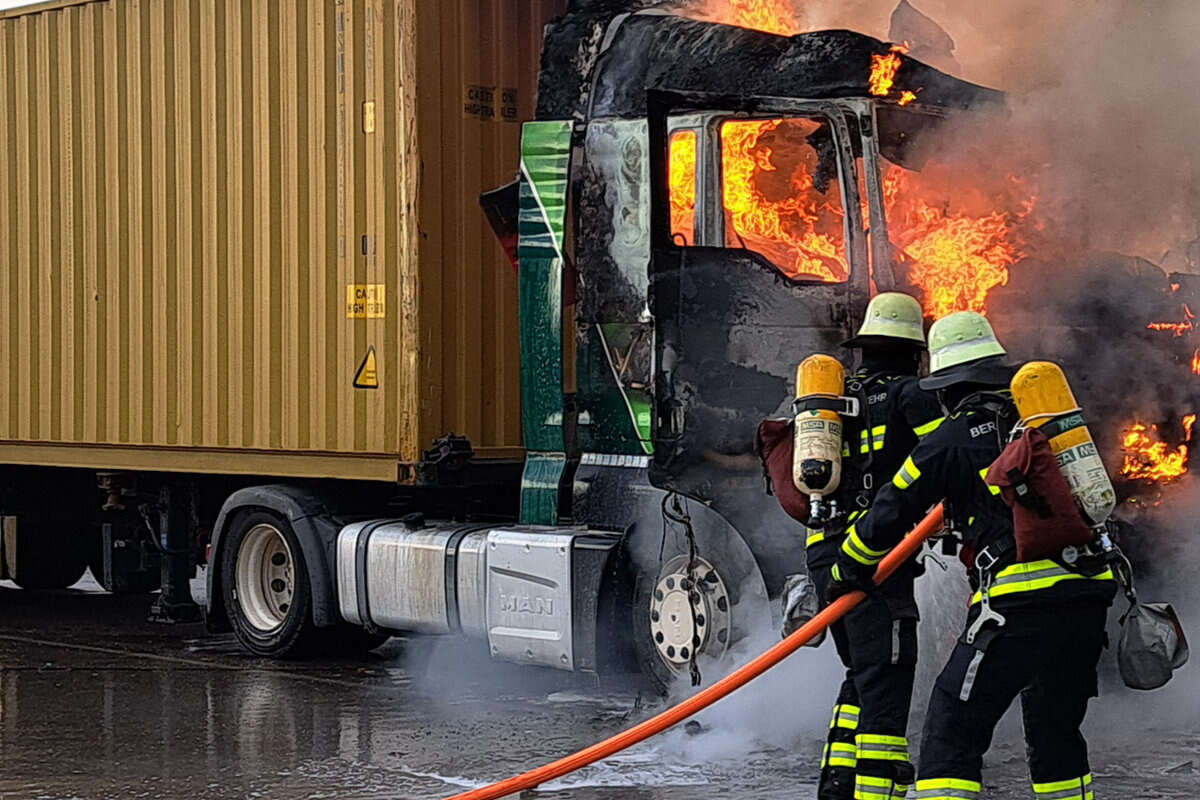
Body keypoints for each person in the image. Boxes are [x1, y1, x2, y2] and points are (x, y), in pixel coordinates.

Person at [829, 311, 1117, 800]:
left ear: (943, 388)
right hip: (1088, 598)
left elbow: (891, 508)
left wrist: (847, 568)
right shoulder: (1039, 423)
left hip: (1019, 606)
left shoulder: (950, 439)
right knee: (1056, 736)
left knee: (950, 731)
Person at [787, 292, 944, 800]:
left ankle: (837, 784)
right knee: (888, 680)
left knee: (863, 673)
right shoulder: (909, 394)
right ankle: (876, 792)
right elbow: (948, 458)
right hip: (874, 556)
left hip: (823, 551)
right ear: (913, 350)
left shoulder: (833, 400)